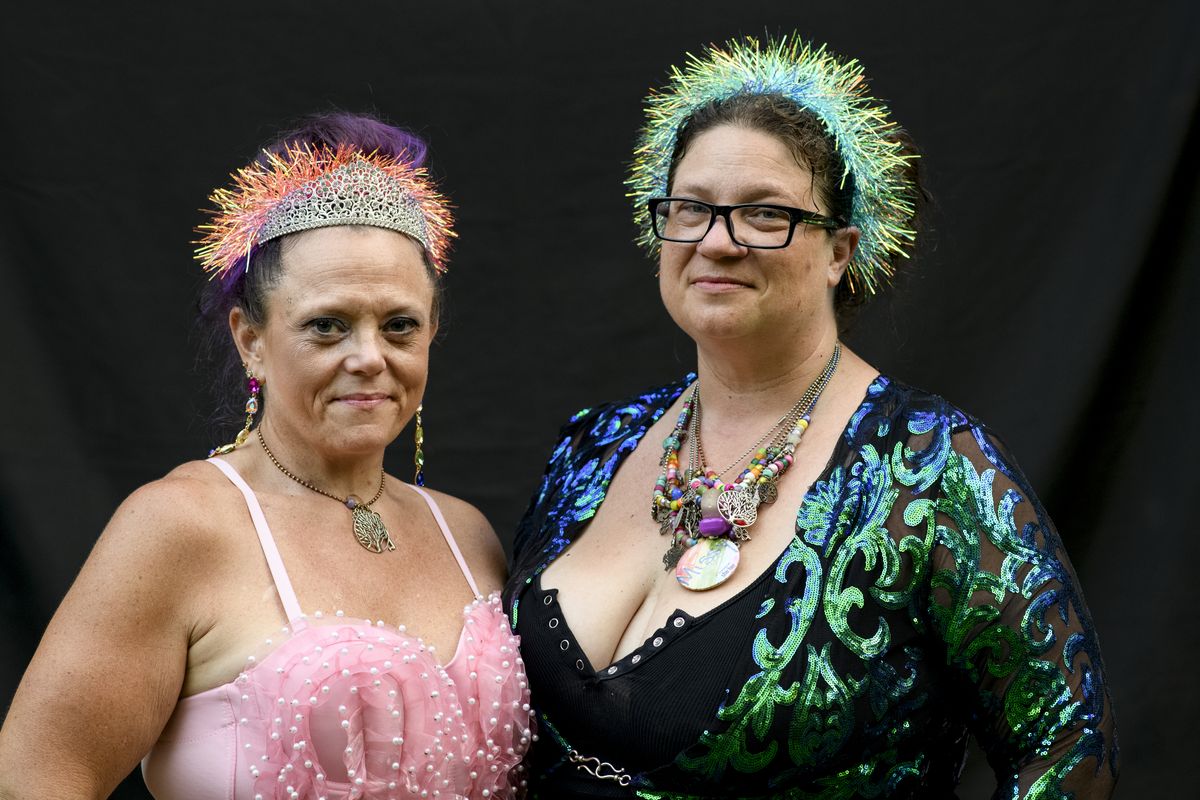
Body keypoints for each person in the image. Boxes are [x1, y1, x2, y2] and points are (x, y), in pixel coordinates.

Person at [504, 36, 1118, 798]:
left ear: (840, 250)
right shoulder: (594, 445)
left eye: (764, 214)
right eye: (690, 208)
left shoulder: (929, 467)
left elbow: (1066, 749)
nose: (717, 241)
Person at [0, 113, 531, 799]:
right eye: (327, 325)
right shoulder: (182, 526)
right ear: (250, 339)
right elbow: (34, 779)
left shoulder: (466, 533)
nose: (369, 357)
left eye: (399, 326)